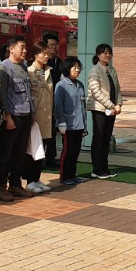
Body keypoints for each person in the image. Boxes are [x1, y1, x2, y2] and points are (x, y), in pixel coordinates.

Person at [0, 36, 34, 202]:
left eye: (25, 47)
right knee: (6, 154)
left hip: (25, 116)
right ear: (11, 49)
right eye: (21, 47)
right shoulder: (4, 68)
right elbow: (1, 96)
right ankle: (1, 187)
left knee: (19, 154)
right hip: (12, 117)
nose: (24, 51)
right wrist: (7, 117)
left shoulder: (23, 67)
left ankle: (15, 185)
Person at [87, 43, 122, 179]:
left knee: (106, 139)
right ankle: (97, 169)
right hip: (99, 109)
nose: (107, 55)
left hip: (111, 109)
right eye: (104, 53)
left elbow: (117, 89)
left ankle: (105, 167)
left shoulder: (112, 70)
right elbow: (96, 92)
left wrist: (118, 104)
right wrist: (111, 105)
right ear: (98, 55)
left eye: (109, 53)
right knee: (98, 138)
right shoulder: (94, 70)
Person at [23, 41, 54, 194]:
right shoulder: (29, 71)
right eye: (44, 53)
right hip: (35, 117)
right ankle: (30, 181)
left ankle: (37, 179)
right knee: (33, 150)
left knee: (42, 149)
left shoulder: (48, 71)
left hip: (47, 117)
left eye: (48, 53)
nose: (47, 56)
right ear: (35, 55)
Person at [54, 57, 86, 186]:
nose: (77, 70)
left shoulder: (80, 84)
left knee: (76, 151)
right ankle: (65, 175)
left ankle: (73, 174)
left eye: (79, 68)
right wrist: (61, 121)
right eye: (74, 68)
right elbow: (58, 105)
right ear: (67, 69)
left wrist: (85, 125)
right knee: (68, 151)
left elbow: (83, 107)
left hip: (79, 124)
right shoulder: (61, 85)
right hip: (67, 124)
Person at [42, 33, 63, 168]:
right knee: (42, 131)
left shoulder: (60, 63)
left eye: (56, 45)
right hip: (43, 103)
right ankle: (39, 158)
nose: (54, 48)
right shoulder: (42, 64)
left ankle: (51, 157)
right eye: (51, 45)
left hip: (56, 101)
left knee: (52, 132)